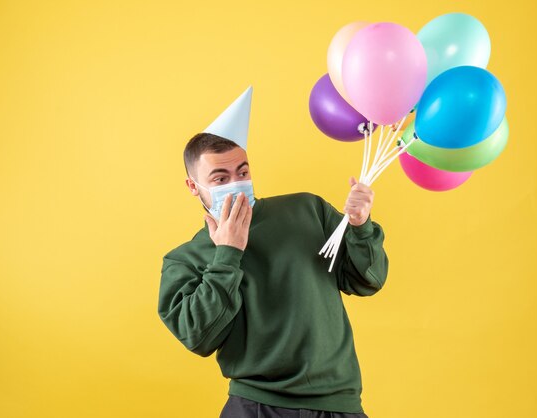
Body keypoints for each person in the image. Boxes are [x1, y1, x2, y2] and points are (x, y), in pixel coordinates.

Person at [157, 131, 390, 418]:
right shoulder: (184, 260)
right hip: (255, 406)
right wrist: (228, 253)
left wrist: (360, 225)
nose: (236, 185)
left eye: (242, 172)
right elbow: (199, 337)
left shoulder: (308, 210)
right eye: (220, 178)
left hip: (338, 405)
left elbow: (368, 279)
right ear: (193, 186)